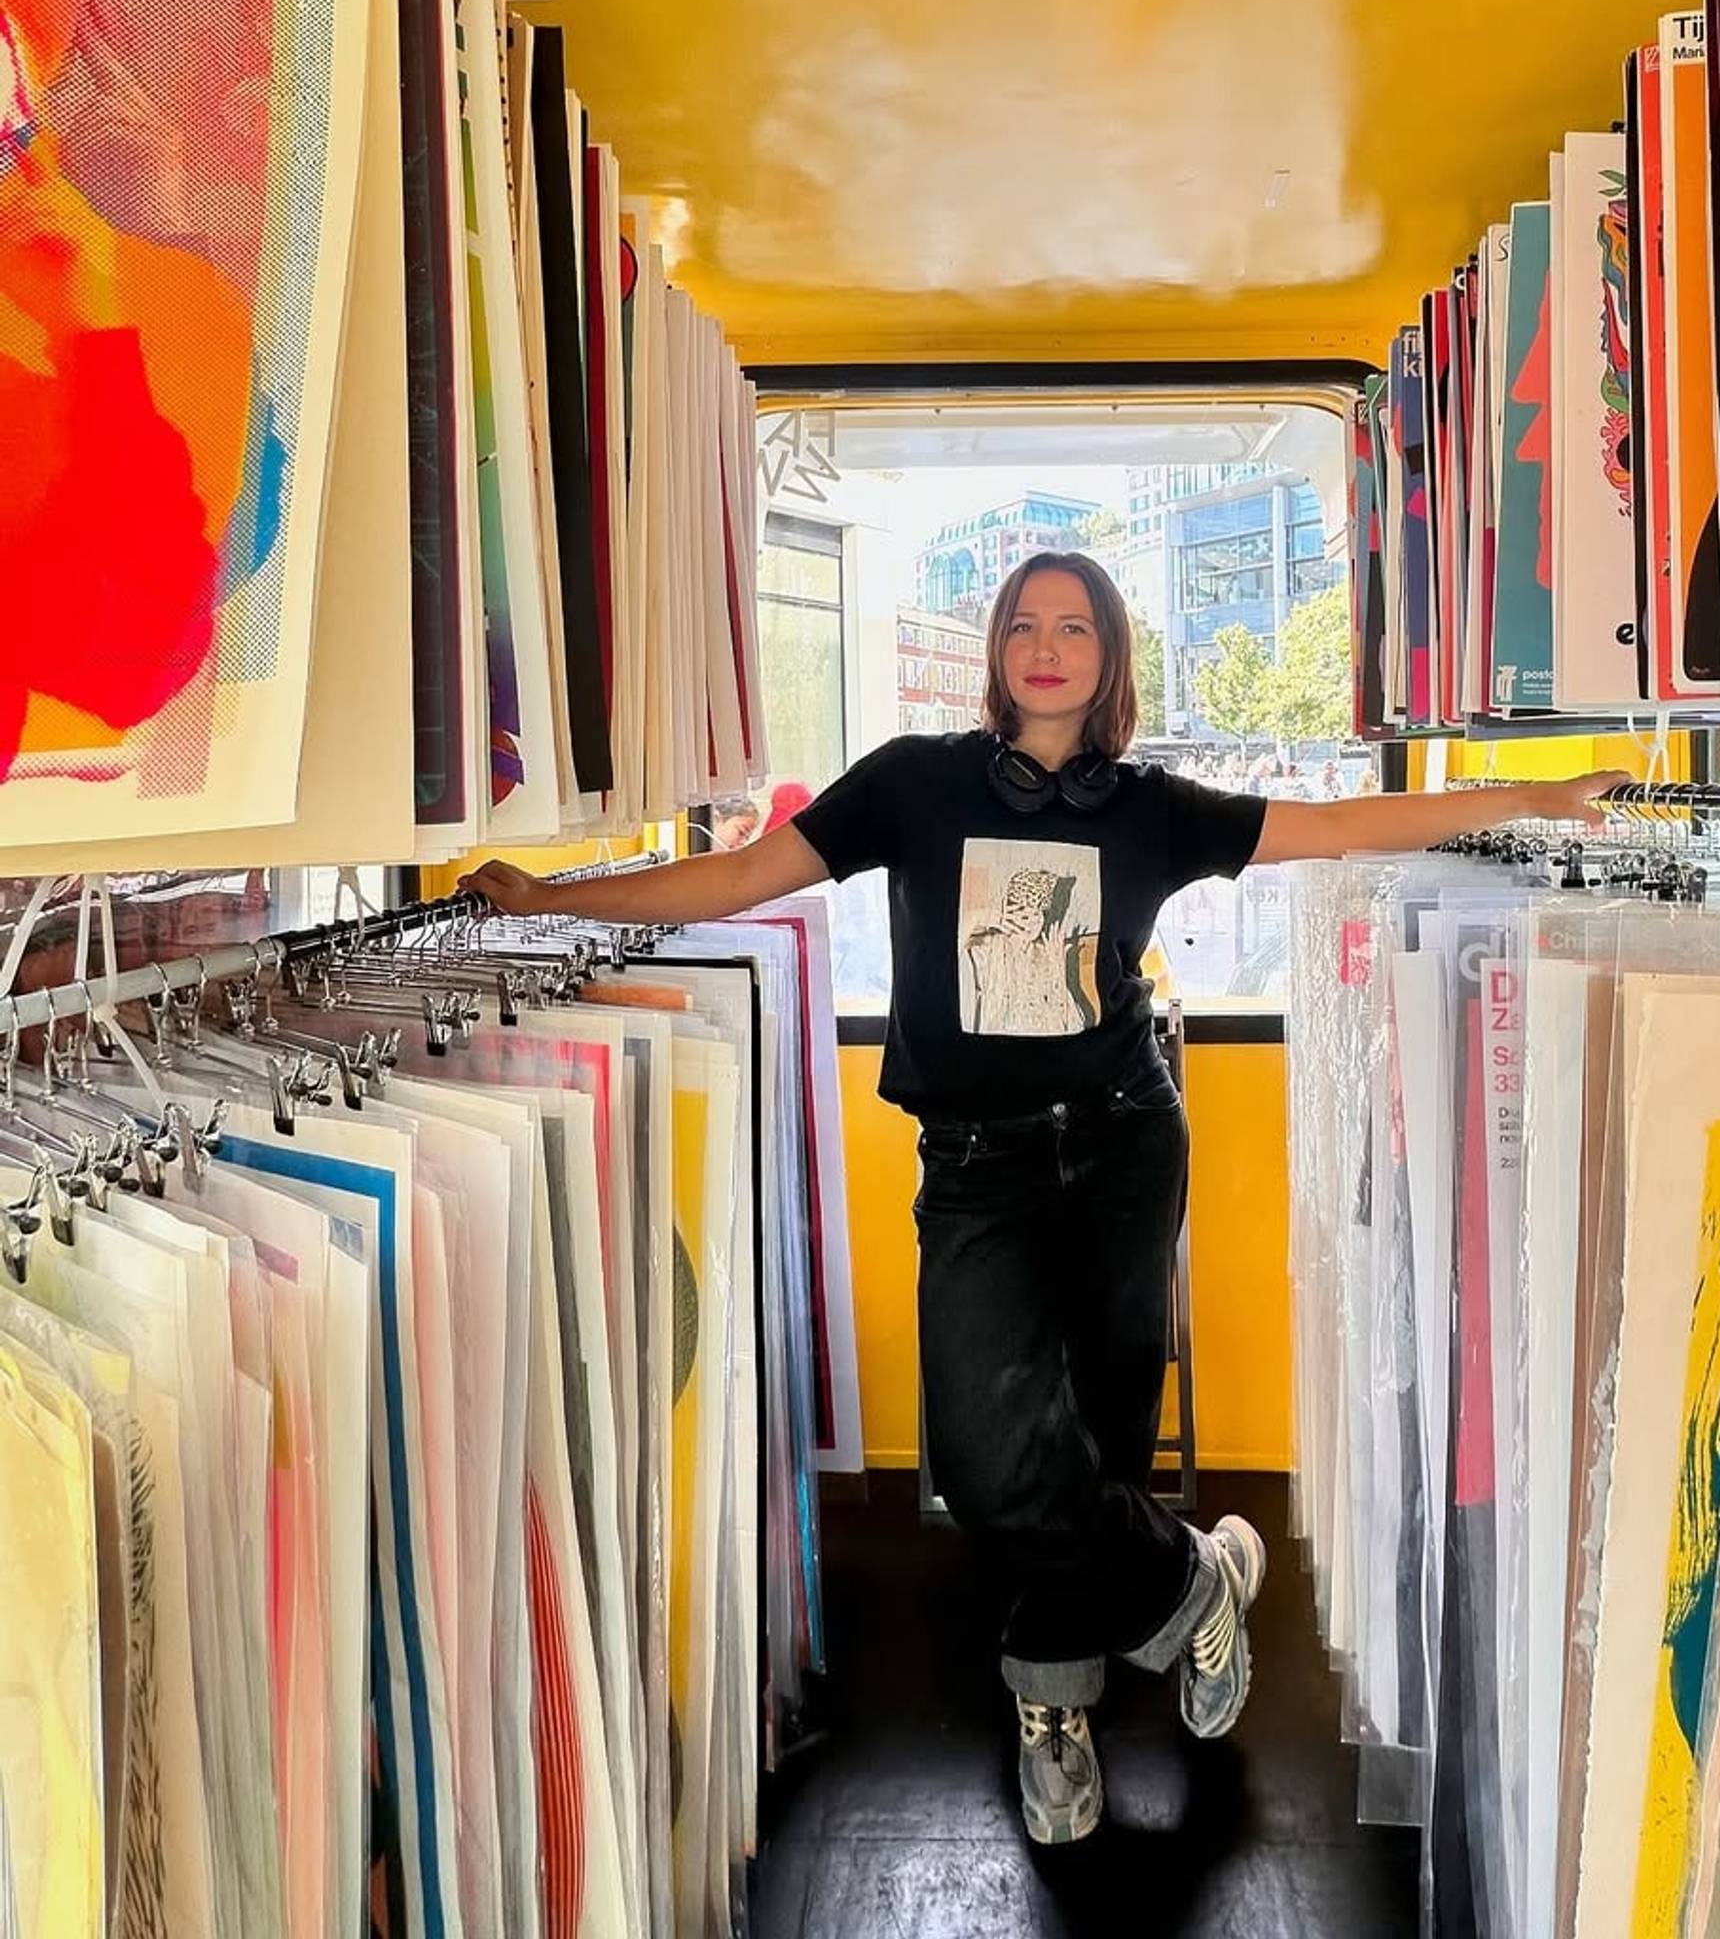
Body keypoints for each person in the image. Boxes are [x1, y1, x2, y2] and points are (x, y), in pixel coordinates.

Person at [461, 550, 1616, 1848]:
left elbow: (1344, 828)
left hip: (1123, 1146)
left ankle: (1053, 1707)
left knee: (1097, 1438)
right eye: (1026, 622)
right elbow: (737, 879)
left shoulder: (1151, 810)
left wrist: (1546, 792)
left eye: (1077, 626)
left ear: (1111, 659)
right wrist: (552, 900)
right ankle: (1199, 1575)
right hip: (975, 1167)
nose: (1050, 644)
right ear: (998, 650)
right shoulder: (914, 785)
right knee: (988, 1456)